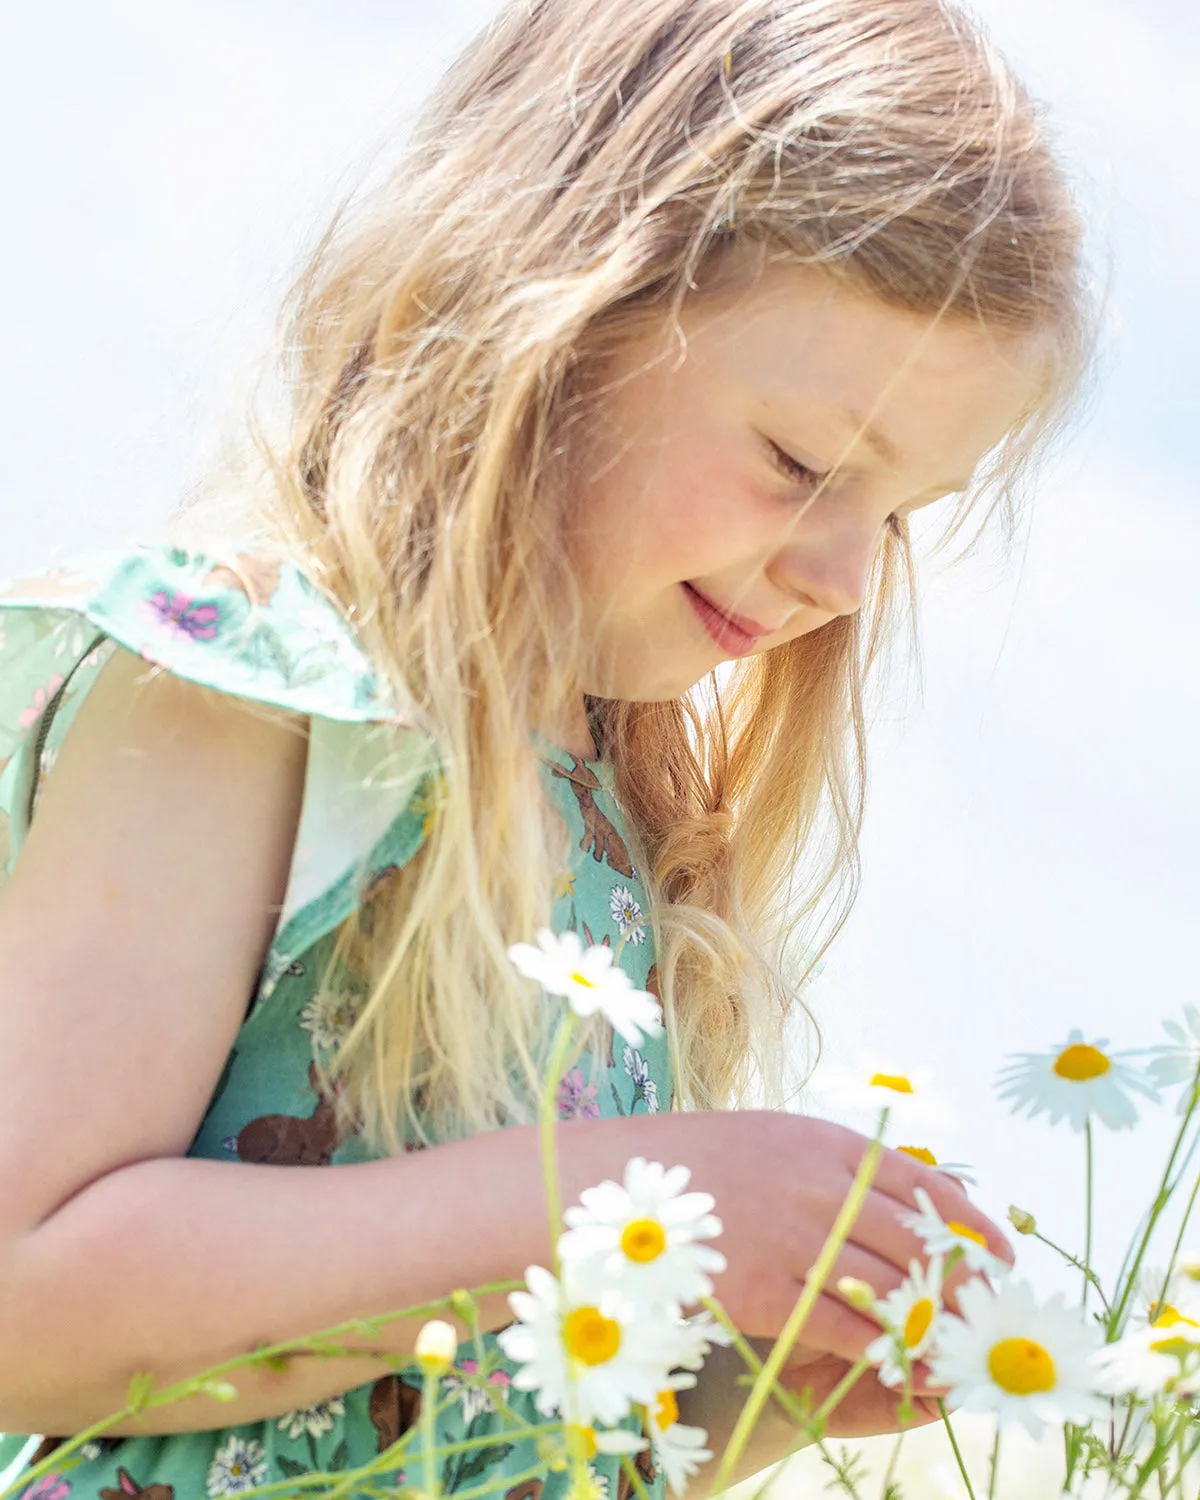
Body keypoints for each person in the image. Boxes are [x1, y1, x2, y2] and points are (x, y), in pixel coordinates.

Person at [0, 0, 1091, 1495]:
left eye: (897, 515)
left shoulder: (631, 838)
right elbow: (27, 1292)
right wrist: (620, 1200)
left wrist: (758, 1392)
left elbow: (470, 1418)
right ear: (561, 307)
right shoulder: (258, 686)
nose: (847, 576)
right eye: (802, 466)